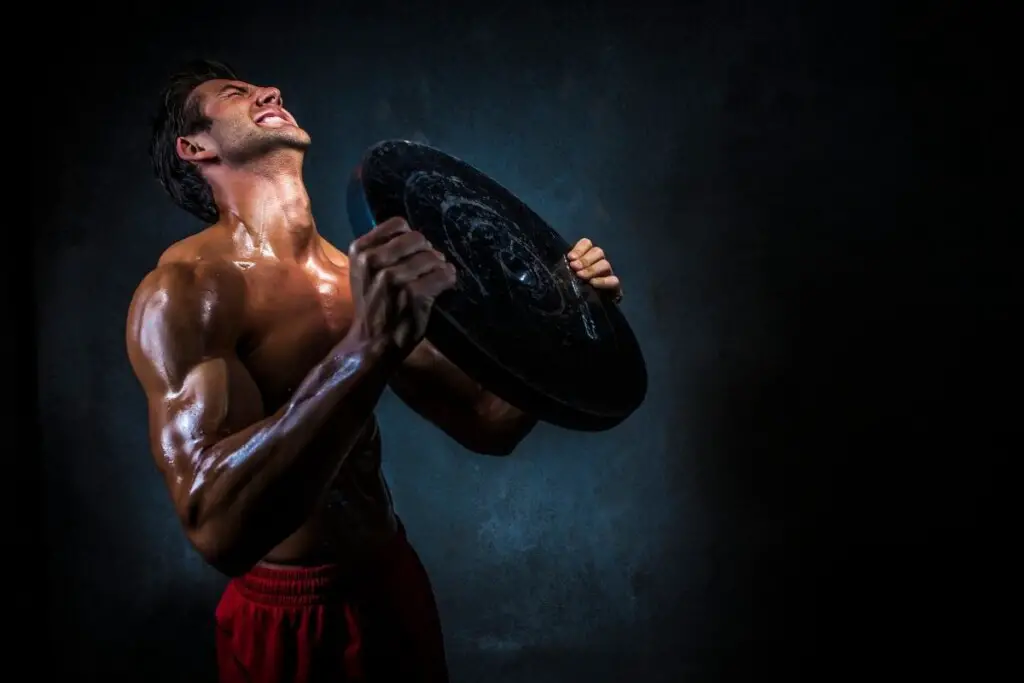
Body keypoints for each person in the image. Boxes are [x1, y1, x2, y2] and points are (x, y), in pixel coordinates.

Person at [125, 60, 625, 683]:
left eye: (264, 87)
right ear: (194, 146)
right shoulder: (188, 290)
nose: (270, 91)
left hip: (391, 583)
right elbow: (216, 528)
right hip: (290, 616)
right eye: (236, 94)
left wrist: (564, 315)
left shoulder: (353, 277)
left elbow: (486, 423)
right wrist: (365, 351)